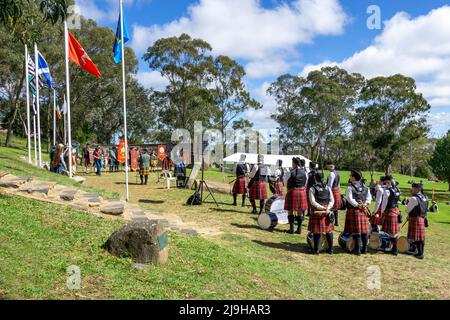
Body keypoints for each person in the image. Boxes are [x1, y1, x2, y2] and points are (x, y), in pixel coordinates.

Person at [344, 169, 372, 255]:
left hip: (354, 210)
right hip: (363, 210)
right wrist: (365, 205)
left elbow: (349, 198)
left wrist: (358, 205)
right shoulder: (365, 187)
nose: (349, 177)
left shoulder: (350, 187)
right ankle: (364, 249)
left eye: (350, 175)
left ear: (353, 177)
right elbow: (369, 198)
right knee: (364, 231)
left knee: (356, 232)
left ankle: (357, 250)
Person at [308, 172, 335, 254]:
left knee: (317, 231)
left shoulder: (312, 188)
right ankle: (330, 249)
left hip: (318, 211)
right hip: (327, 211)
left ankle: (316, 250)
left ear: (315, 179)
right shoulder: (328, 187)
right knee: (329, 231)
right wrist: (328, 208)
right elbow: (332, 200)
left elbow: (313, 202)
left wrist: (323, 208)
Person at [284, 157, 308, 234]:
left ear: (294, 163)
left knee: (290, 210)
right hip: (301, 191)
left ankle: (291, 229)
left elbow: (285, 182)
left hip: (292, 191)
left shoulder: (290, 172)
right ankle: (299, 229)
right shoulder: (305, 172)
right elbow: (306, 183)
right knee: (300, 211)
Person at [405, 183, 429, 259]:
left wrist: (407, 203)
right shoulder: (425, 197)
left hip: (415, 219)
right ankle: (419, 252)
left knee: (416, 237)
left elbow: (407, 210)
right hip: (422, 218)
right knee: (420, 238)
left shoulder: (414, 198)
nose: (411, 189)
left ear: (418, 189)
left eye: (413, 188)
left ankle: (419, 253)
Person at [380, 175, 401, 255]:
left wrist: (382, 212)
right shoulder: (398, 189)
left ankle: (395, 249)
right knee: (394, 232)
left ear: (387, 181)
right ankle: (393, 248)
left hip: (390, 211)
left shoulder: (387, 191)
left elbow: (384, 203)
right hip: (396, 210)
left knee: (392, 232)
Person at [326, 162, 341, 227]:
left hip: (332, 190)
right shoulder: (337, 173)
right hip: (337, 190)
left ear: (331, 166)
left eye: (328, 166)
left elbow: (329, 185)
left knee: (331, 206)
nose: (327, 167)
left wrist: (327, 192)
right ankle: (336, 222)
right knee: (335, 207)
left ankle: (331, 220)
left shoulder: (331, 174)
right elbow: (338, 184)